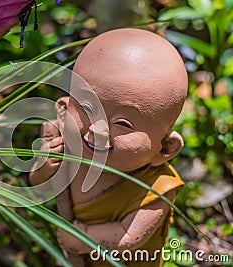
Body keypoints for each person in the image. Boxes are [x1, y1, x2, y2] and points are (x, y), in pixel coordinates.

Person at [29, 28, 188, 266]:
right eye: (86, 108)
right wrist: (44, 167)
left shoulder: (157, 189)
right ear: (62, 110)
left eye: (122, 124)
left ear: (165, 148)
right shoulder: (67, 150)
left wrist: (83, 239)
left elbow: (129, 237)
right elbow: (39, 186)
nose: (96, 130)